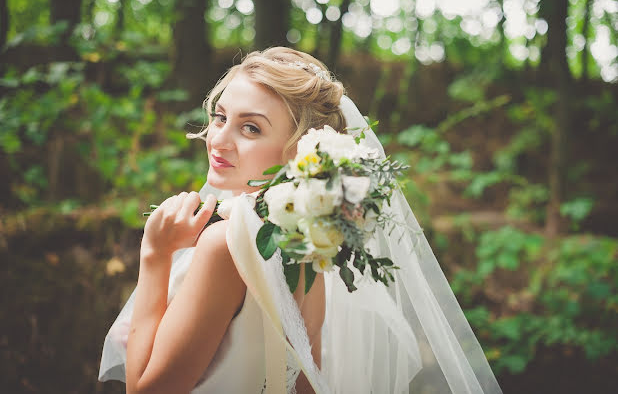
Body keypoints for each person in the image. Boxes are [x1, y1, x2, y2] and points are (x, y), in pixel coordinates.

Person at [99, 47, 503, 394]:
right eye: (221, 117)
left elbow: (145, 389)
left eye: (251, 128)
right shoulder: (313, 240)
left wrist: (154, 255)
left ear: (297, 152)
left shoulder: (225, 244)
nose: (218, 138)